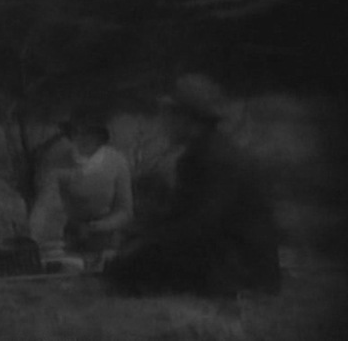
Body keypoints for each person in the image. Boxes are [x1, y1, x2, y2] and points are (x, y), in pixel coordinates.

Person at [104, 74, 281, 296]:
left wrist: (144, 244)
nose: (165, 123)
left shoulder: (213, 159)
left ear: (187, 119)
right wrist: (142, 232)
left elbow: (200, 226)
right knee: (132, 257)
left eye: (169, 115)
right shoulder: (203, 153)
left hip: (240, 270)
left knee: (129, 267)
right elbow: (182, 215)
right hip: (232, 258)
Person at [35, 109, 133, 270]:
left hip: (108, 241)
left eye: (88, 133)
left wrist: (101, 226)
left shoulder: (117, 162)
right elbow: (45, 206)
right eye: (76, 133)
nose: (81, 138)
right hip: (71, 240)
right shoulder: (59, 162)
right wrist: (38, 236)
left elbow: (125, 211)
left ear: (99, 137)